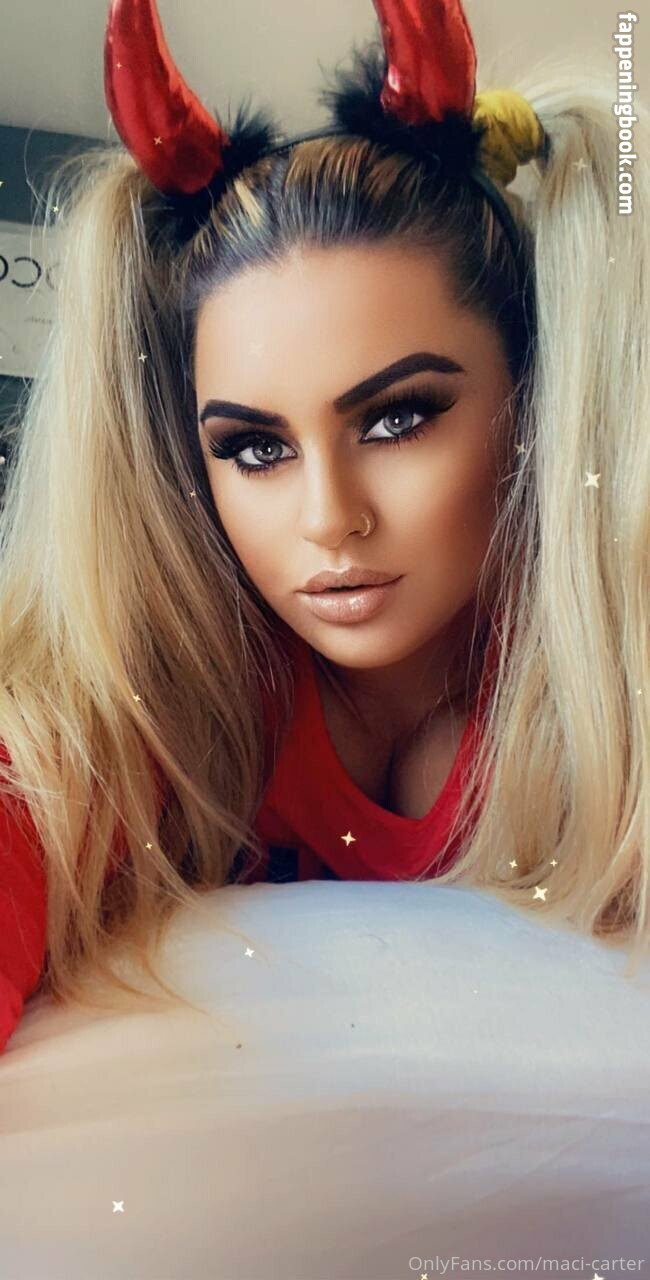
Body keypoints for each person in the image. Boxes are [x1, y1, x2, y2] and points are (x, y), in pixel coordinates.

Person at [0, 0, 647, 1056]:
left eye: (397, 419)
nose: (327, 518)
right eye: (255, 448)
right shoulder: (166, 705)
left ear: (533, 401)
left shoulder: (616, 698)